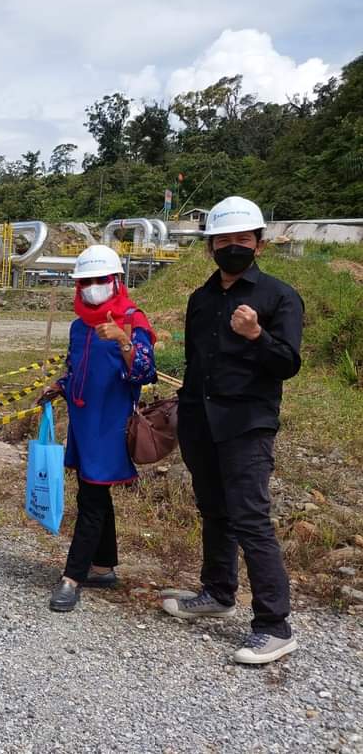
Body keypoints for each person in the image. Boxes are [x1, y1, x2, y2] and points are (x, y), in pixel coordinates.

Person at [162, 196, 304, 665]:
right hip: (200, 421)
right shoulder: (201, 299)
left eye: (242, 239)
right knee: (214, 511)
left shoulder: (279, 297)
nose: (232, 247)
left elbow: (288, 364)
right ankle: (218, 593)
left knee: (250, 519)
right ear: (210, 247)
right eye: (223, 240)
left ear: (259, 245)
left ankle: (274, 625)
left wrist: (256, 336)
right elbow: (195, 363)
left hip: (247, 424)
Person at [39, 245, 157, 612]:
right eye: (84, 281)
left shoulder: (133, 321)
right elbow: (78, 369)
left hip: (110, 426)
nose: (91, 287)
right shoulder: (78, 327)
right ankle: (103, 567)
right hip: (83, 422)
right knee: (94, 494)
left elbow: (145, 373)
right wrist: (59, 385)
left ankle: (72, 578)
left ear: (116, 281)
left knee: (91, 498)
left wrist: (123, 342)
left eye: (98, 280)